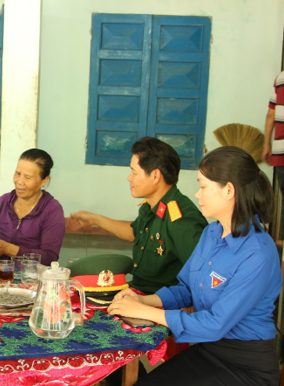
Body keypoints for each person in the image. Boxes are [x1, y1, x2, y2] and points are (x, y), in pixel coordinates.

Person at [108, 146, 281, 386]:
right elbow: (187, 289)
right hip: (208, 351)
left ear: (229, 190)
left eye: (203, 186)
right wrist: (144, 300)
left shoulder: (258, 253)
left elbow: (215, 324)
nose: (197, 195)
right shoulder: (212, 232)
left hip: (246, 365)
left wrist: (147, 313)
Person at [71, 137, 207, 294]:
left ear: (155, 176)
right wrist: (95, 219)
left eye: (134, 172)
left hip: (159, 299)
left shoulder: (181, 219)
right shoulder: (151, 205)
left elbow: (200, 274)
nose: (130, 178)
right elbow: (134, 232)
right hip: (137, 290)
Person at [0, 148, 65, 266]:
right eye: (18, 174)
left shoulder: (52, 210)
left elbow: (50, 257)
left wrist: (9, 249)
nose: (19, 181)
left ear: (44, 180)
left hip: (30, 277)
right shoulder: (3, 202)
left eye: (27, 178)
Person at [262, 70, 284, 246]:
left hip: (280, 148)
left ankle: (281, 241)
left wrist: (266, 145)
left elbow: (271, 114)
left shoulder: (280, 78)